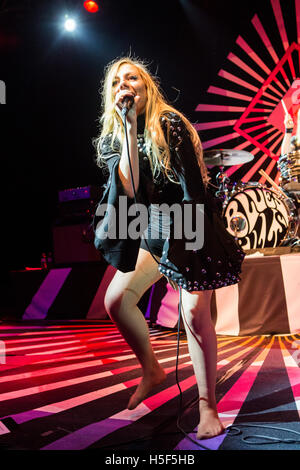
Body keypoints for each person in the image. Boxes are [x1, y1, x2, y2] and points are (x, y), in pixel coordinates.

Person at [93, 57, 244, 439]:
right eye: (116, 82)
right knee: (117, 301)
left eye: (132, 78)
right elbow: (128, 192)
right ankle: (152, 369)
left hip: (189, 220)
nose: (124, 85)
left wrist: (192, 252)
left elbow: (194, 190)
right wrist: (127, 128)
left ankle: (208, 407)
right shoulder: (114, 137)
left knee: (194, 314)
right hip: (151, 228)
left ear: (147, 86)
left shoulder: (169, 123)